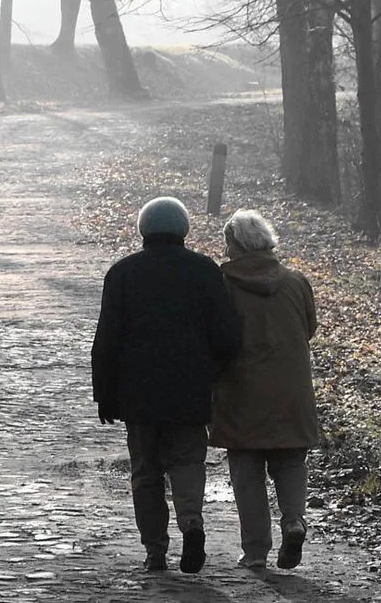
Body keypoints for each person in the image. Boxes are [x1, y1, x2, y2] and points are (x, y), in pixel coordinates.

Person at [91, 196, 241, 574]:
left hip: (138, 394)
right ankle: (192, 524)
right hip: (189, 391)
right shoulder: (205, 271)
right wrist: (213, 372)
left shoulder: (123, 273)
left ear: (144, 230)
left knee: (146, 472)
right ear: (184, 229)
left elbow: (106, 340)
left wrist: (105, 395)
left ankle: (155, 550)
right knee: (188, 462)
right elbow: (226, 335)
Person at [209, 209, 321, 571]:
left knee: (246, 467)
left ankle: (255, 550)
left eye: (228, 245)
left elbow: (216, 336)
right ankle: (294, 521)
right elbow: (309, 327)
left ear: (238, 246)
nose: (225, 252)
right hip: (292, 389)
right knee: (290, 461)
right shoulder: (296, 281)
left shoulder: (223, 284)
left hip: (241, 389)